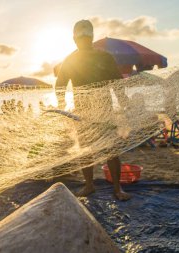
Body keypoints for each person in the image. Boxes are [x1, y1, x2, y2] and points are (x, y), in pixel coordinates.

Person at [56, 19, 130, 201]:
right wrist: (61, 105)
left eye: (84, 38)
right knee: (88, 151)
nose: (82, 41)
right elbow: (60, 86)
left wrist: (124, 105)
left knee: (108, 151)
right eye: (82, 38)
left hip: (101, 112)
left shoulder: (101, 57)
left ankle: (113, 187)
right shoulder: (75, 59)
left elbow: (117, 84)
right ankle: (95, 186)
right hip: (85, 113)